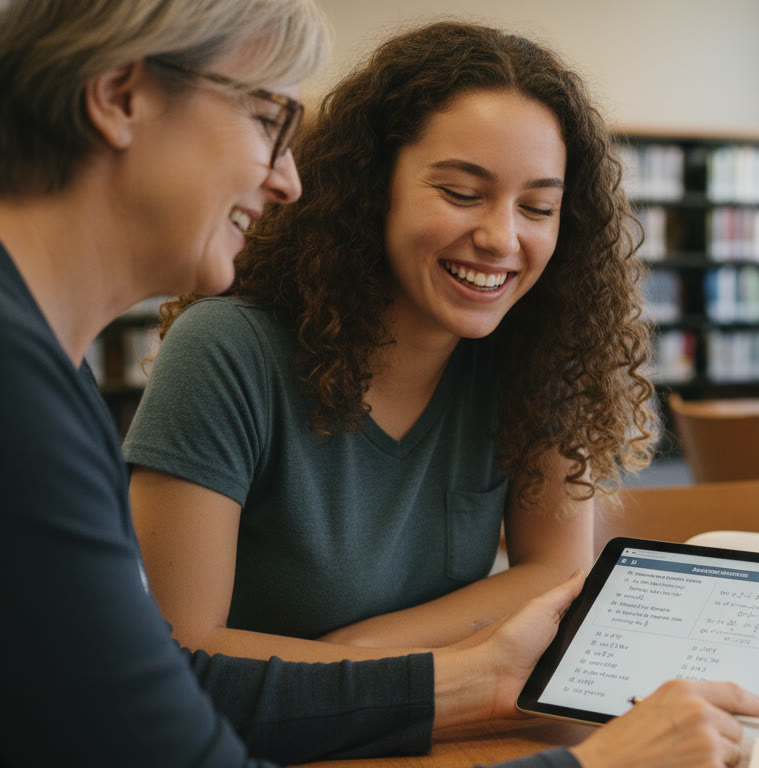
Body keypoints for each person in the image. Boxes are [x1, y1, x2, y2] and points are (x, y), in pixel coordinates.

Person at [0, 4, 759, 766]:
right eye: (266, 118)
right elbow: (177, 683)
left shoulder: (46, 378)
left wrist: (387, 661)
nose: (285, 179)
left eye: (538, 206)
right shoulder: (47, 389)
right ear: (120, 97)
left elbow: (557, 575)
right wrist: (590, 763)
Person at [123, 20, 661, 662]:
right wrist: (439, 672)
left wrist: (367, 647)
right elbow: (177, 651)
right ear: (370, 187)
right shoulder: (225, 351)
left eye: (538, 208)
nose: (502, 238)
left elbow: (556, 575)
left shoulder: (535, 352)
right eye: (462, 193)